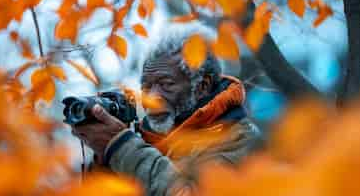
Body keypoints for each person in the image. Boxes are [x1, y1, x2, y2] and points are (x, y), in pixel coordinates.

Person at [72, 23, 261, 196]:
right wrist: (104, 153)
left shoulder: (240, 138)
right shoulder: (146, 139)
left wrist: (122, 147)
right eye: (146, 87)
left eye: (166, 84)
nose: (152, 98)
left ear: (202, 86)